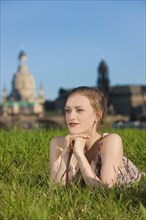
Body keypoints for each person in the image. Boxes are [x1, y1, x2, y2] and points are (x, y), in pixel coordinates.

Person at [49, 86, 145, 188]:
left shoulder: (111, 141)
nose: (71, 117)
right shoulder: (58, 143)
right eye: (67, 110)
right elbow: (55, 190)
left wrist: (79, 154)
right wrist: (66, 154)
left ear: (97, 115)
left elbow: (105, 191)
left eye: (79, 110)